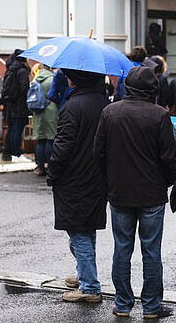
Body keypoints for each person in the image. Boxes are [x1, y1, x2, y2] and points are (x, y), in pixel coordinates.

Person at [93, 65, 176, 319]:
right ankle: (151, 307)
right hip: (151, 193)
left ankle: (123, 304)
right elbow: (168, 157)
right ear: (153, 88)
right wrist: (166, 182)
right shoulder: (159, 115)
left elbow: (99, 153)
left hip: (120, 192)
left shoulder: (110, 112)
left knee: (122, 248)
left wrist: (111, 179)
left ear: (127, 86)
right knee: (151, 251)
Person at [46, 68, 110, 303]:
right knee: (86, 227)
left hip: (74, 177)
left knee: (79, 230)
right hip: (97, 176)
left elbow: (62, 146)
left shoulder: (73, 106)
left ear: (77, 79)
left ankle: (90, 286)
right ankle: (85, 273)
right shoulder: (104, 103)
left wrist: (52, 173)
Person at [0, 49, 31, 163]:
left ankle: (7, 153)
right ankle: (16, 154)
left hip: (10, 105)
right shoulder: (21, 70)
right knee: (17, 129)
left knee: (11, 129)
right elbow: (24, 89)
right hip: (20, 105)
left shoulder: (10, 69)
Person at [31, 64, 58, 176]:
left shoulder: (36, 78)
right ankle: (50, 166)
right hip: (51, 110)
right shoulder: (52, 79)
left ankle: (40, 166)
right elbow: (55, 95)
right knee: (50, 138)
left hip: (38, 110)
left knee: (40, 139)